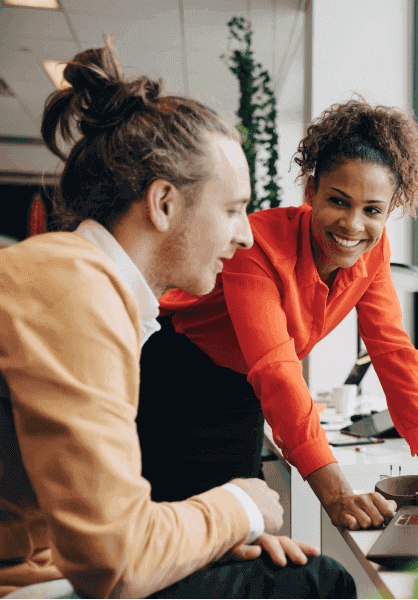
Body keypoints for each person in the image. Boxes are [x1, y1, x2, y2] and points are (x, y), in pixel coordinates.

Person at [0, 40, 355, 599]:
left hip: (55, 570)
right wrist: (241, 505)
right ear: (164, 204)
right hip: (32, 588)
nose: (245, 234)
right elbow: (118, 563)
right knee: (318, 583)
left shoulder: (86, 283)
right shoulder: (75, 289)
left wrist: (207, 538)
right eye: (234, 209)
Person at [138, 98, 418, 531]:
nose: (353, 225)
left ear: (390, 211)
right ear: (311, 191)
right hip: (175, 371)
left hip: (242, 387)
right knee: (178, 528)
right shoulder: (256, 244)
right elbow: (276, 368)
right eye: (338, 201)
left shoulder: (374, 251)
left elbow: (392, 352)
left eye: (373, 210)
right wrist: (337, 493)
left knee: (241, 529)